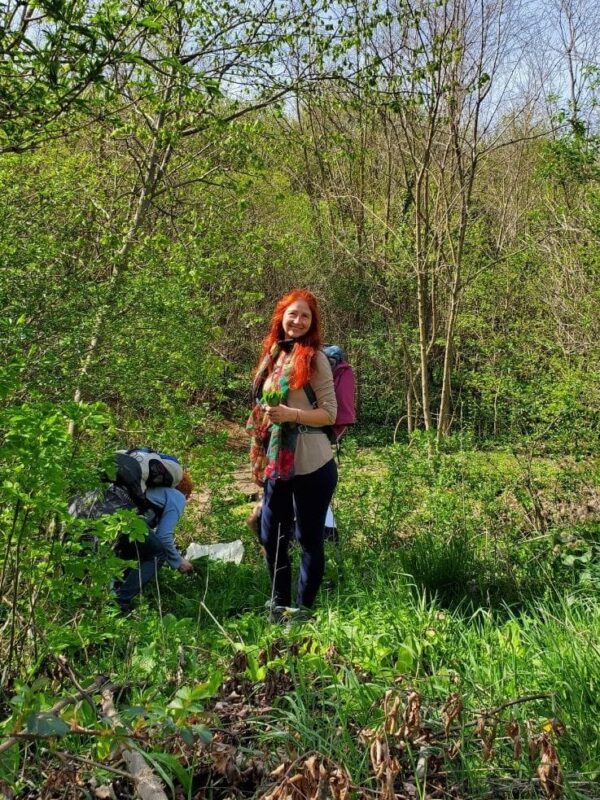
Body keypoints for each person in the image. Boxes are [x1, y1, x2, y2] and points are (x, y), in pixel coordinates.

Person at [247, 289, 338, 619]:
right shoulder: (273, 354)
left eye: (305, 316)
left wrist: (291, 414)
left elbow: (330, 413)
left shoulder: (315, 359)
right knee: (270, 534)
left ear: (312, 323)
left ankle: (303, 610)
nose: (298, 321)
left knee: (308, 538)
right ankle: (279, 602)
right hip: (276, 461)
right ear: (281, 317)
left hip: (313, 462)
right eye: (293, 314)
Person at [114, 470, 194, 613]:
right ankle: (119, 601)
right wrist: (178, 562)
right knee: (158, 553)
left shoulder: (148, 489)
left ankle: (109, 595)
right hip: (127, 520)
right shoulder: (177, 496)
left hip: (110, 515)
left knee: (139, 552)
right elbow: (163, 537)